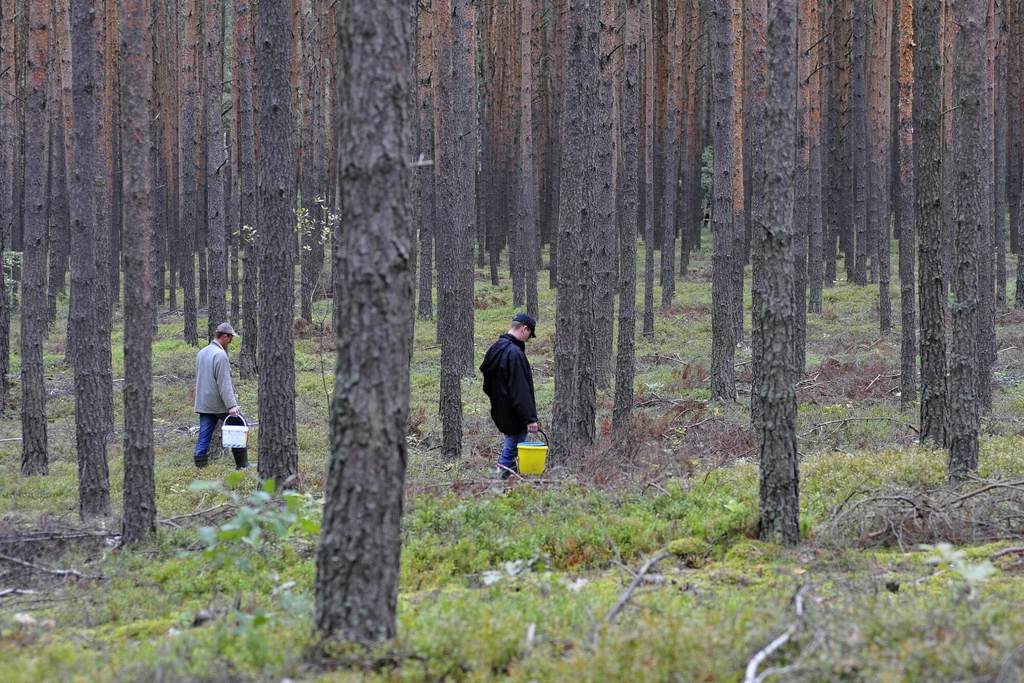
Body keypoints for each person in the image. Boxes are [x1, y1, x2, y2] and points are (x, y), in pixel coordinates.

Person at [480, 313, 539, 480]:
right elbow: (520, 390)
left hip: (501, 410)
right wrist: (530, 418)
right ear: (524, 328)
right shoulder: (514, 353)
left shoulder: (495, 348)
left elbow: (487, 386)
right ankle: (495, 484)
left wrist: (500, 402)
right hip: (515, 413)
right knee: (512, 450)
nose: (528, 339)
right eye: (529, 334)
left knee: (512, 449)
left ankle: (509, 484)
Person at [193, 322, 249, 469]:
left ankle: (200, 467)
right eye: (231, 338)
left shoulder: (202, 352)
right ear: (225, 336)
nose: (231, 341)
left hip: (203, 403)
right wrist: (231, 405)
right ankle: (242, 465)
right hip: (219, 404)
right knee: (240, 425)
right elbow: (224, 383)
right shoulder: (220, 355)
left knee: (204, 436)